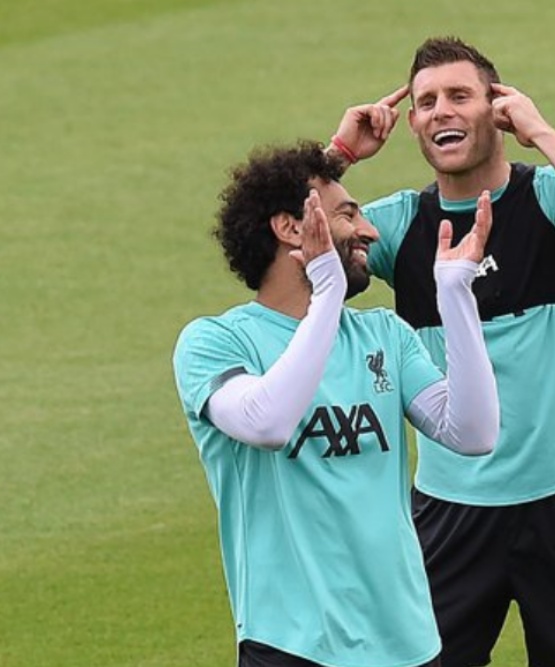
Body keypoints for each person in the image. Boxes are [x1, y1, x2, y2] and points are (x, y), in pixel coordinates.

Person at [327, 36, 555, 667]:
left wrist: (543, 133)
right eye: (425, 102)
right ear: (412, 125)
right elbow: (284, 247)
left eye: (459, 96)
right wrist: (338, 156)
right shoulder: (398, 226)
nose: (441, 111)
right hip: (450, 514)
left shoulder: (550, 199)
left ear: (497, 108)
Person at [171, 140, 500, 667]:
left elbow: (474, 433)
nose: (369, 230)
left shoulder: (384, 334)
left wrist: (457, 296)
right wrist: (325, 295)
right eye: (348, 214)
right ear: (290, 228)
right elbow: (267, 421)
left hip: (411, 644)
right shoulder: (215, 343)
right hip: (295, 646)